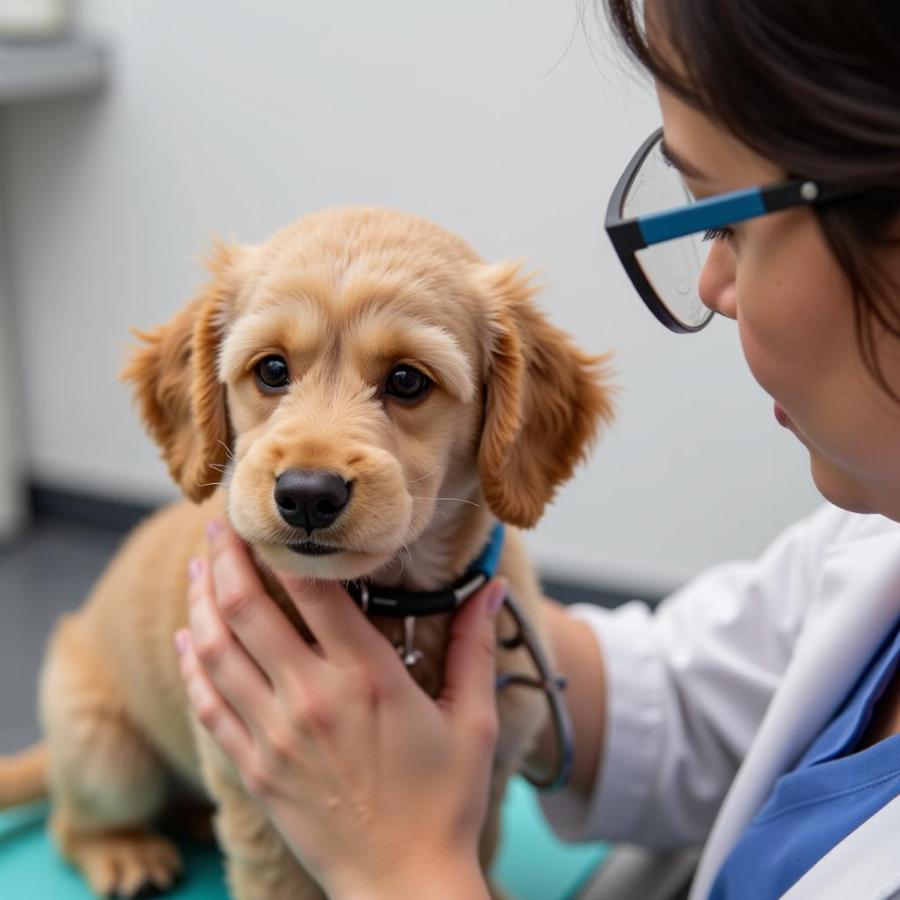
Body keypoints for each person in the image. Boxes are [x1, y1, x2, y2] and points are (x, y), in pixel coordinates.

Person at [173, 1, 900, 897]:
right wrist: (452, 628)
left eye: (723, 222)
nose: (712, 284)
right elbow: (692, 697)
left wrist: (407, 867)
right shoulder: (870, 546)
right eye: (272, 369)